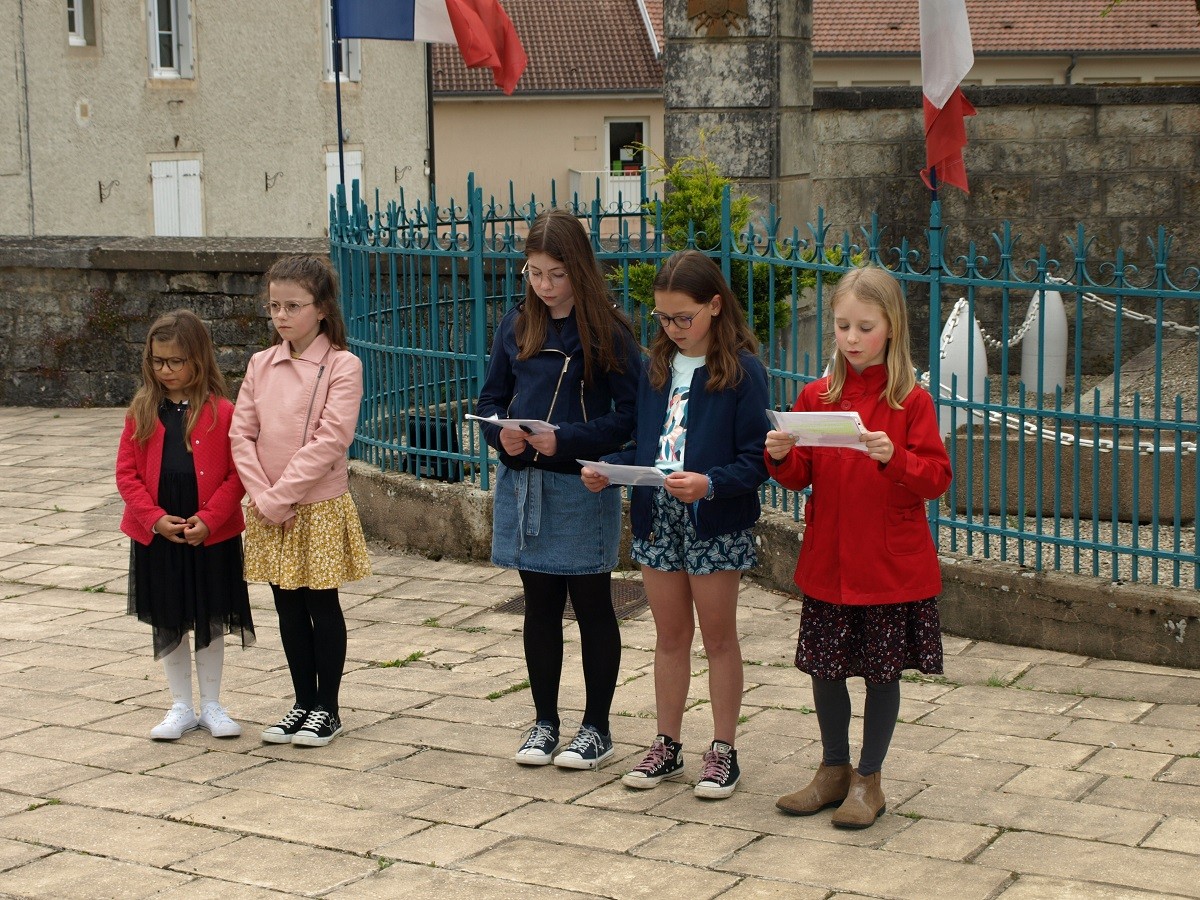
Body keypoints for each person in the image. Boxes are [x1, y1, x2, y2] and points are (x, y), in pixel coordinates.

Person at [766, 264, 952, 829]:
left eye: (864, 327)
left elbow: (936, 477)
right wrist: (779, 453)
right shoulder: (817, 395)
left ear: (891, 327)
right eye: (843, 326)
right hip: (830, 557)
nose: (851, 339)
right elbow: (801, 475)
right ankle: (833, 770)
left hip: (888, 566)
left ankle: (869, 781)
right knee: (825, 669)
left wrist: (893, 458)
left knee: (880, 672)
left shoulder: (911, 402)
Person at [583, 249, 770, 800]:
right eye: (663, 317)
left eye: (683, 317)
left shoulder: (743, 371)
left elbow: (758, 458)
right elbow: (649, 444)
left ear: (715, 305)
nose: (672, 328)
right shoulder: (656, 366)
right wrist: (612, 472)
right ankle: (666, 742)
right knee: (669, 637)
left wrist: (709, 483)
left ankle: (723, 750)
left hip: (713, 519)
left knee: (718, 638)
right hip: (657, 514)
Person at [477, 208, 642, 771]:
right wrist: (506, 438)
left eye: (555, 275)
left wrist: (565, 440)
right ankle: (544, 721)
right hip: (525, 483)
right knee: (540, 605)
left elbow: (629, 418)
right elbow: (489, 401)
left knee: (593, 604)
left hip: (581, 486)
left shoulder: (610, 331)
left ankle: (597, 726)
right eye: (534, 273)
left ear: (580, 270)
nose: (543, 286)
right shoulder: (516, 324)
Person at [230, 255, 371, 748]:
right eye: (274, 307)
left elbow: (331, 440)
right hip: (269, 503)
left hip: (314, 505)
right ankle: (300, 702)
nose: (282, 317)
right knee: (286, 605)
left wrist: (281, 495)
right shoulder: (260, 364)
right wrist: (262, 497)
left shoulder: (342, 365)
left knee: (320, 603)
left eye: (293, 306)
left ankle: (326, 709)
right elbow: (241, 434)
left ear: (323, 309)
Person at [117, 310, 254, 741]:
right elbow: (126, 475)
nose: (166, 370)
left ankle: (212, 704)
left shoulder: (223, 412)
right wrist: (153, 519)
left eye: (176, 361)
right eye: (158, 361)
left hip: (209, 533)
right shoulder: (140, 411)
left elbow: (238, 475)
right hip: (159, 533)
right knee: (169, 617)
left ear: (198, 359)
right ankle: (180, 705)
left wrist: (211, 520)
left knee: (211, 614)